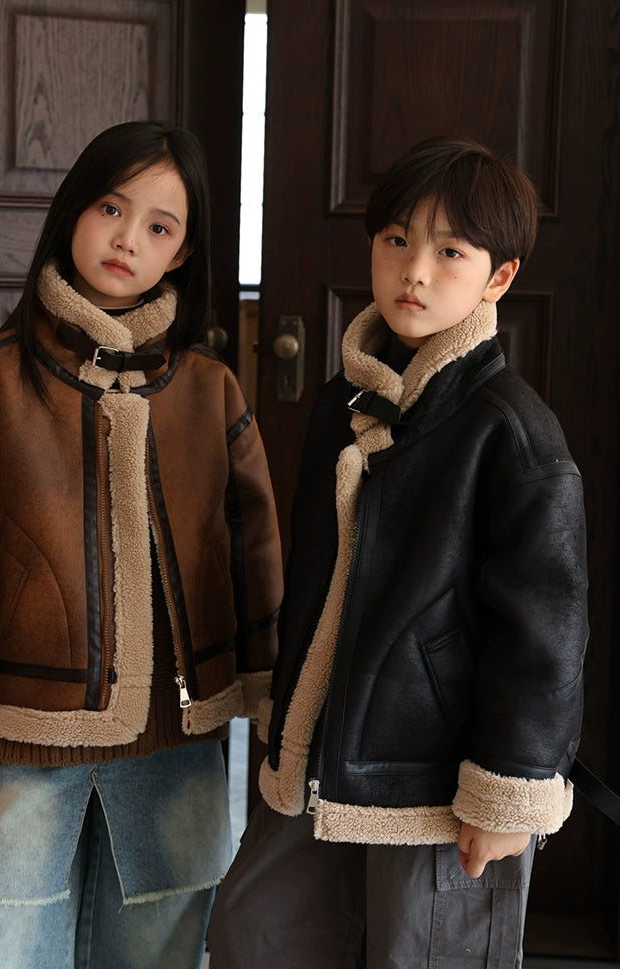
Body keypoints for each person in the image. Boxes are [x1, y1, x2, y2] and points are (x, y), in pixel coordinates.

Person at [0, 120, 283, 969]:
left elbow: (251, 539)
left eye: (159, 225)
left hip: (175, 728)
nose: (126, 238)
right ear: (74, 209)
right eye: (111, 206)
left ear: (182, 254)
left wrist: (263, 674)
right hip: (36, 717)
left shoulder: (210, 390)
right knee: (15, 928)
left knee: (162, 928)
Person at [207, 137, 588, 968]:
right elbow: (314, 575)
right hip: (321, 745)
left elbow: (544, 633)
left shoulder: (512, 432)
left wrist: (505, 787)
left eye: (449, 251)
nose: (415, 269)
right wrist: (283, 718)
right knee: (258, 930)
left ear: (497, 277)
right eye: (396, 241)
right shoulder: (344, 403)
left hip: (440, 774)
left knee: (428, 950)